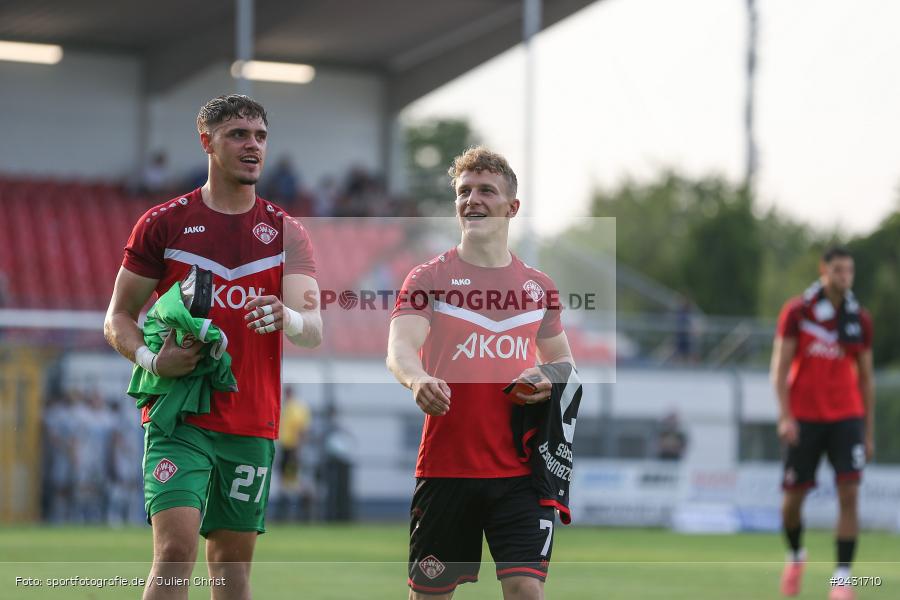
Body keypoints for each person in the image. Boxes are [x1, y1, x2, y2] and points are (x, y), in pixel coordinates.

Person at [104, 94, 322, 600]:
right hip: (181, 416)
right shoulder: (164, 223)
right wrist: (152, 360)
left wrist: (286, 315)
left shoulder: (288, 233)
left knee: (230, 567)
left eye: (260, 136)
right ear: (207, 141)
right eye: (238, 135)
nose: (253, 146)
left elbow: (313, 328)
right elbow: (118, 316)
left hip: (252, 421)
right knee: (174, 551)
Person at [387, 146, 575, 600]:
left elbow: (564, 363)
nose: (472, 199)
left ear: (512, 207)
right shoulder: (428, 277)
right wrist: (417, 379)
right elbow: (399, 349)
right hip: (447, 468)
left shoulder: (539, 288)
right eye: (464, 191)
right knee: (431, 596)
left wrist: (550, 379)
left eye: (486, 191)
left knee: (525, 590)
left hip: (520, 474)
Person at [771, 246, 875, 600]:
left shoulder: (859, 319)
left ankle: (842, 581)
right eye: (839, 270)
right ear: (824, 270)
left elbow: (865, 378)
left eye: (850, 270)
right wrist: (785, 415)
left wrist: (868, 430)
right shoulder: (798, 312)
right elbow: (780, 368)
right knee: (792, 503)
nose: (845, 277)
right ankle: (796, 555)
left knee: (849, 494)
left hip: (846, 416)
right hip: (804, 418)